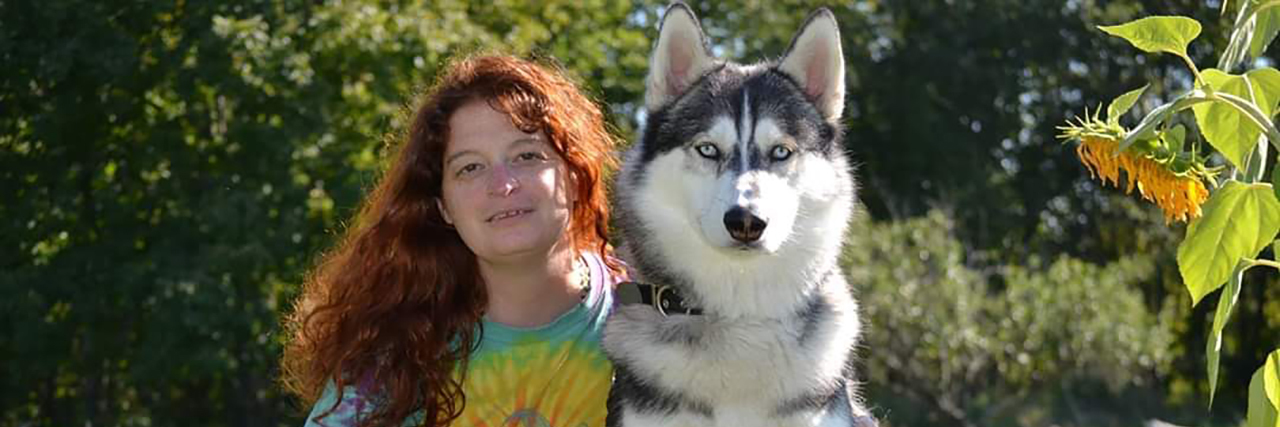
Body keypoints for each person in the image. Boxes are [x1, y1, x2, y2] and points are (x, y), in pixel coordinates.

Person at [280, 54, 625, 427]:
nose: (503, 184)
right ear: (443, 206)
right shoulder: (397, 364)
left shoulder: (656, 321)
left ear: (575, 176)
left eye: (526, 156)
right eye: (470, 168)